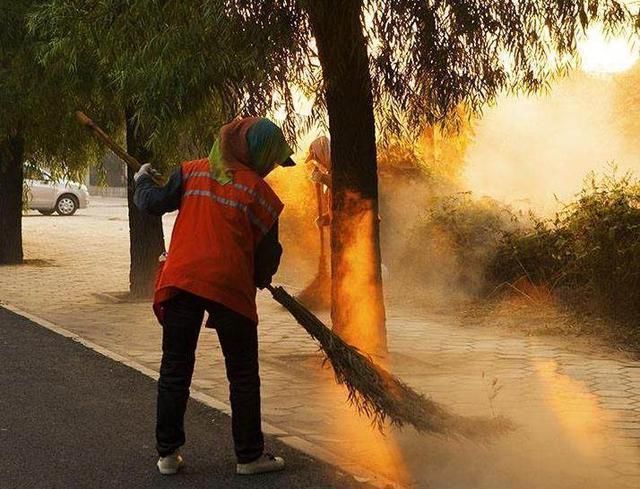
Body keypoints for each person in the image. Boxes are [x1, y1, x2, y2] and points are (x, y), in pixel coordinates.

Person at [133, 117, 295, 477]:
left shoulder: (191, 173)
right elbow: (268, 257)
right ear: (256, 153)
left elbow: (153, 202)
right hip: (230, 286)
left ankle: (167, 455)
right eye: (271, 159)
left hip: (184, 279)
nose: (270, 169)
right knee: (242, 375)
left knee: (175, 368)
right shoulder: (262, 195)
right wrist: (259, 278)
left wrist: (142, 179)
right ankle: (250, 457)